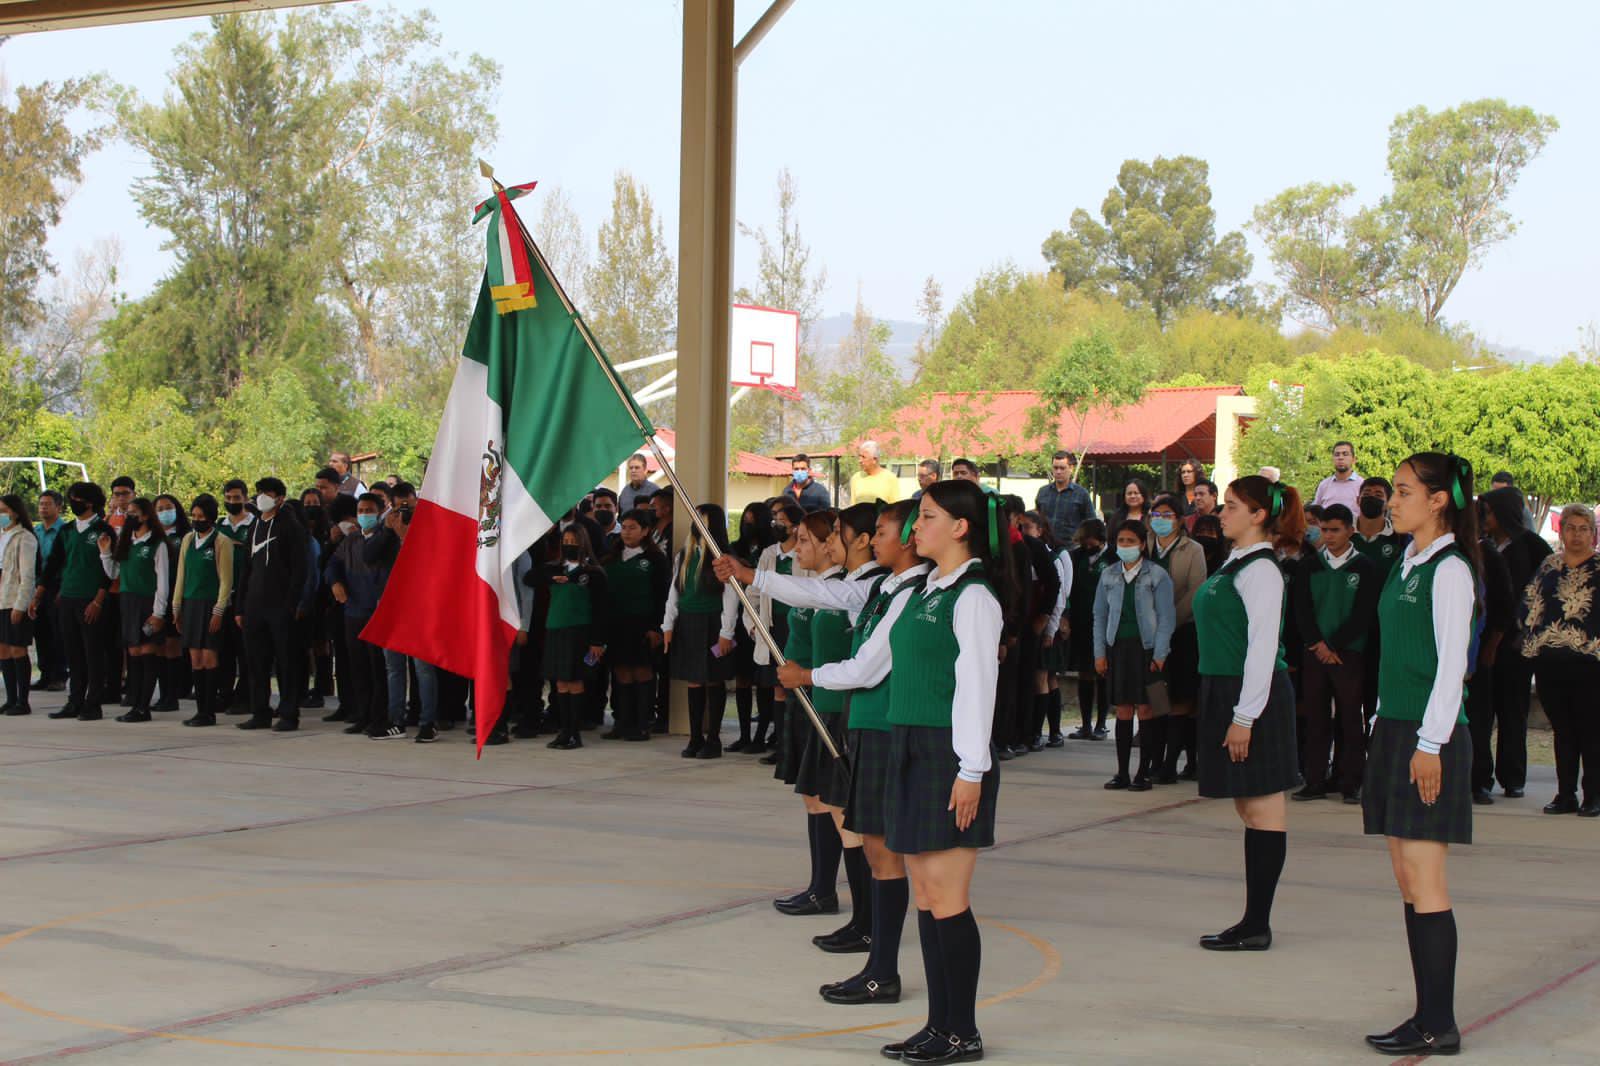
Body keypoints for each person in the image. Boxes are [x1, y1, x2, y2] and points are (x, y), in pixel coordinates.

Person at [875, 479, 1011, 1064]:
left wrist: (971, 770)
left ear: (961, 527)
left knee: (948, 896)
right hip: (911, 745)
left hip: (949, 753)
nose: (914, 528)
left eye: (926, 517)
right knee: (927, 896)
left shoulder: (974, 596)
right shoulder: (927, 587)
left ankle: (963, 1030)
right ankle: (938, 1025)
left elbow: (978, 687)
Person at [774, 500, 930, 1006]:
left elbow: (866, 667)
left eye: (881, 530)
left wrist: (807, 676)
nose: (872, 539)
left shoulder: (919, 592)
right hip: (865, 723)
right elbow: (821, 592)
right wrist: (755, 577)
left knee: (900, 862)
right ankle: (877, 962)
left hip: (884, 726)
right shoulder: (884, 588)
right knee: (880, 852)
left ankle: (881, 962)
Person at [724, 504, 888, 949]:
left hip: (845, 707)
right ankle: (853, 912)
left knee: (850, 818)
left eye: (835, 532)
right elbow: (814, 597)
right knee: (829, 806)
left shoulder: (876, 585)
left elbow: (856, 654)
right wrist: (750, 576)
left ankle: (867, 921)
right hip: (824, 698)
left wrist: (752, 576)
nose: (828, 541)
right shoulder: (853, 584)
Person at [1361, 453, 1478, 1057]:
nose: (1392, 500)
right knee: (1407, 879)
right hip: (1397, 729)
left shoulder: (1451, 569)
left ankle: (1441, 1022)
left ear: (1438, 501)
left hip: (1430, 737)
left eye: (1404, 491)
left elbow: (1451, 665)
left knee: (1427, 880)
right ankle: (1424, 1013)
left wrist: (1429, 744)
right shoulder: (1405, 561)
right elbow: (1397, 654)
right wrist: (1384, 720)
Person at [1194, 475, 1306, 952]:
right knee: (1249, 806)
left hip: (1251, 693)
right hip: (1227, 690)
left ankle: (1257, 922)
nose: (1222, 513)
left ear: (1259, 515)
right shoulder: (1236, 561)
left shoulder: (1260, 569)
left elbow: (1263, 647)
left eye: (1232, 506)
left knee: (1263, 806)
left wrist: (1245, 717)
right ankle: (1251, 919)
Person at [1291, 504, 1380, 803]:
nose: (1328, 535)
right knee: (1315, 718)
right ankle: (1314, 779)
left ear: (1349, 531)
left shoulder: (1364, 567)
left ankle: (1350, 780)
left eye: (1335, 530)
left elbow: (1364, 612)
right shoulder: (1309, 565)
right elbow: (1301, 609)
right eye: (1324, 529)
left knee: (1350, 718)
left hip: (1349, 654)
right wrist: (1317, 643)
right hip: (1315, 653)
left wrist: (1336, 645)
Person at [1521, 503, 1600, 817]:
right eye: (1571, 528)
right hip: (1551, 661)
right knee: (1563, 731)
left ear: (1593, 534)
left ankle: (1593, 795)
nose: (1577, 535)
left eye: (1583, 529)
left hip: (1591, 663)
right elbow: (1530, 605)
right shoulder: (1548, 566)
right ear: (1561, 530)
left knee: (1591, 731)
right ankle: (1565, 793)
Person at [1477, 484, 1552, 799]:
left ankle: (1513, 777)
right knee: (1483, 711)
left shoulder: (1532, 546)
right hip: (1485, 637)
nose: (1485, 518)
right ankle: (1480, 776)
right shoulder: (1484, 545)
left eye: (1489, 512)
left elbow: (1547, 591)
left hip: (1518, 643)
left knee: (1513, 711)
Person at [1093, 519, 1176, 790]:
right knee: (1124, 708)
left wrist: (1161, 653)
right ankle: (1122, 772)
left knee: (1148, 708)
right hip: (1118, 648)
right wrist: (1099, 653)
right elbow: (1100, 615)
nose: (1125, 546)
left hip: (1148, 648)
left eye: (1130, 541)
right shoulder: (1109, 574)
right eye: (1121, 541)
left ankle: (1144, 772)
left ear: (1142, 544)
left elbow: (1166, 617)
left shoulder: (1157, 574)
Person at [662, 504, 742, 759]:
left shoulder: (722, 558)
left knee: (713, 679)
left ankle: (714, 738)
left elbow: (731, 597)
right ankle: (695, 736)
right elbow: (674, 592)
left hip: (712, 623)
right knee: (694, 679)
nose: (697, 524)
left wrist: (726, 632)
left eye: (703, 519)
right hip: (687, 622)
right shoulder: (684, 555)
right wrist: (668, 625)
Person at [236, 478, 308, 732]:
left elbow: (301, 568)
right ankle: (260, 712)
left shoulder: (291, 526)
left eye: (267, 493)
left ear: (279, 498)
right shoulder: (255, 525)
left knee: (286, 661)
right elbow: (245, 568)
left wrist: (292, 603)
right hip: (254, 605)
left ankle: (289, 713)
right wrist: (240, 606)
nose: (261, 497)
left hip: (280, 606)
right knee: (256, 661)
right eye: (259, 493)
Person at [531, 525, 609, 750]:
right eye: (566, 540)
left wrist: (597, 641)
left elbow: (601, 610)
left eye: (574, 541)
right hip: (556, 629)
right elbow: (531, 577)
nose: (569, 545)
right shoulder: (556, 569)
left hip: (580, 632)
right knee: (560, 682)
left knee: (575, 680)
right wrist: (552, 577)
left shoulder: (593, 573)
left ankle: (575, 732)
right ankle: (563, 731)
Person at [95, 497, 171, 724]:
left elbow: (163, 581)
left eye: (134, 513)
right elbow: (113, 573)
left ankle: (143, 706)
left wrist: (159, 613)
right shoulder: (126, 542)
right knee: (134, 654)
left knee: (148, 653)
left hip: (148, 602)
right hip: (127, 602)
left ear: (146, 515)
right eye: (128, 513)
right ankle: (134, 702)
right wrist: (105, 553)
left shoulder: (157, 543)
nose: (130, 517)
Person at [42, 482, 113, 721]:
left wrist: (99, 600)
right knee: (72, 652)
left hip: (91, 599)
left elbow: (109, 570)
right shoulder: (67, 530)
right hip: (68, 596)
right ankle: (75, 700)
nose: (72, 502)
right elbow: (54, 563)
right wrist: (40, 592)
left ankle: (93, 703)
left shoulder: (103, 530)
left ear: (89, 502)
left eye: (76, 498)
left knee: (93, 653)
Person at [1148, 494, 1207, 782]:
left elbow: (1196, 590)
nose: (1161, 520)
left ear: (1180, 518)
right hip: (1150, 634)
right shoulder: (1144, 546)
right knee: (1157, 697)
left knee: (1182, 698)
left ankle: (1171, 763)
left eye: (1167, 514)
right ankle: (1155, 760)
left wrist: (1168, 621)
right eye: (1156, 515)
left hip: (1182, 632)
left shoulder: (1192, 549)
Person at [326, 493, 394, 737]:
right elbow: (333, 563)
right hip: (353, 610)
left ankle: (379, 717)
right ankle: (362, 714)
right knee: (358, 667)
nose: (365, 514)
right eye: (361, 510)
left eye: (369, 510)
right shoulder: (352, 540)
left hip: (375, 611)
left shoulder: (387, 539)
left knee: (378, 668)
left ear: (380, 511)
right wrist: (335, 582)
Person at [600, 508, 669, 742]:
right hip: (616, 624)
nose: (627, 533)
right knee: (621, 672)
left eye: (633, 528)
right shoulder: (611, 558)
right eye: (624, 527)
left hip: (642, 624)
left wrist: (656, 627)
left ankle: (642, 723)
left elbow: (662, 596)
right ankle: (622, 722)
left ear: (646, 531)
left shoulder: (655, 560)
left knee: (641, 671)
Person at [747, 500, 809, 761]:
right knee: (778, 687)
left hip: (798, 626)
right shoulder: (769, 554)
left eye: (781, 520)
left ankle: (798, 746)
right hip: (773, 627)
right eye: (774, 518)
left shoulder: (806, 553)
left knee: (799, 686)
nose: (775, 524)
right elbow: (754, 593)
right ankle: (782, 747)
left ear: (795, 526)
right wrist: (752, 624)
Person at [170, 495, 234, 728]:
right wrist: (176, 607)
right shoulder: (188, 539)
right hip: (190, 603)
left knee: (209, 656)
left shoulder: (221, 542)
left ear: (211, 517)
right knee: (195, 658)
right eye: (194, 516)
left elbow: (226, 580)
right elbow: (181, 575)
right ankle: (199, 710)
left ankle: (210, 710)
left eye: (201, 516)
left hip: (210, 604)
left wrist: (219, 611)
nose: (197, 520)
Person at [1020, 511, 1073, 747]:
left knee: (1044, 677)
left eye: (1028, 528)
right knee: (1042, 678)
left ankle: (1043, 732)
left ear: (1040, 531)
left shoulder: (1052, 558)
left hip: (1047, 625)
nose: (1024, 533)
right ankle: (1046, 732)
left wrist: (1051, 629)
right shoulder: (1025, 555)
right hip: (1035, 625)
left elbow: (1060, 595)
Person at [726, 502, 775, 751]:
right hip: (742, 622)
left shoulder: (771, 550)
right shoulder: (736, 548)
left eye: (753, 520)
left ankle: (762, 736)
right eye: (745, 519)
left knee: (765, 683)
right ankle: (744, 734)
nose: (748, 524)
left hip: (764, 619)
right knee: (743, 679)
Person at [1066, 520, 1110, 740]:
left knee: (1102, 672)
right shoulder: (1077, 557)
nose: (1086, 544)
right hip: (1082, 622)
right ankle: (1085, 724)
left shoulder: (1113, 558)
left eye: (1089, 539)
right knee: (1084, 672)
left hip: (1105, 622)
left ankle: (1101, 723)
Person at [150, 493, 191, 712]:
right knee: (158, 647)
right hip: (156, 598)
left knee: (172, 646)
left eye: (169, 507)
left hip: (177, 596)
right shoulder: (152, 536)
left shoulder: (185, 535)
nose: (165, 512)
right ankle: (163, 694)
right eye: (160, 509)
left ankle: (173, 695)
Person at [0, 495, 37, 715]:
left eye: (4, 510)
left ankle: (23, 700)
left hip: (15, 599)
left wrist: (21, 605)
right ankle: (11, 698)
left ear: (15, 512)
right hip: (1, 599)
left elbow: (27, 575)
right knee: (3, 650)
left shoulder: (25, 537)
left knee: (17, 648)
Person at [31, 489, 68, 691]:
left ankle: (59, 675)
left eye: (48, 504)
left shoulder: (65, 530)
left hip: (57, 584)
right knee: (40, 630)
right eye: (41, 504)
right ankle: (45, 673)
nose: (43, 508)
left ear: (59, 507)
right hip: (37, 585)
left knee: (58, 631)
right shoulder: (35, 531)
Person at [1034, 450, 1096, 547]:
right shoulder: (1043, 492)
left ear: (1071, 468)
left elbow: (1092, 523)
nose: (1058, 471)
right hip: (1045, 548)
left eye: (1062, 468)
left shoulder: (1081, 494)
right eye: (1055, 468)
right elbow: (1036, 519)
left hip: (1071, 550)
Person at [1312, 440, 1362, 513]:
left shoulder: (1362, 485)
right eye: (1337, 454)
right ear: (1332, 459)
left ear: (1353, 459)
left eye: (1345, 454)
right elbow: (1315, 512)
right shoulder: (1324, 485)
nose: (1340, 458)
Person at [850, 440, 900, 505]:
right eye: (859, 456)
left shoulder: (890, 478)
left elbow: (895, 507)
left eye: (863, 457)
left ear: (874, 460)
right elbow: (852, 505)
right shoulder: (856, 478)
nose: (860, 460)